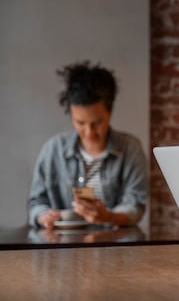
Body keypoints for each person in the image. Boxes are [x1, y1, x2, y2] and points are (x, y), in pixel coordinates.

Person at [28, 61, 148, 229]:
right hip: (62, 249)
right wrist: (43, 217)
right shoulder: (52, 150)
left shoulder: (130, 148)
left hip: (113, 247)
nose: (89, 131)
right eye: (80, 122)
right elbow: (36, 203)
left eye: (97, 122)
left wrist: (109, 217)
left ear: (110, 111)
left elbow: (136, 205)